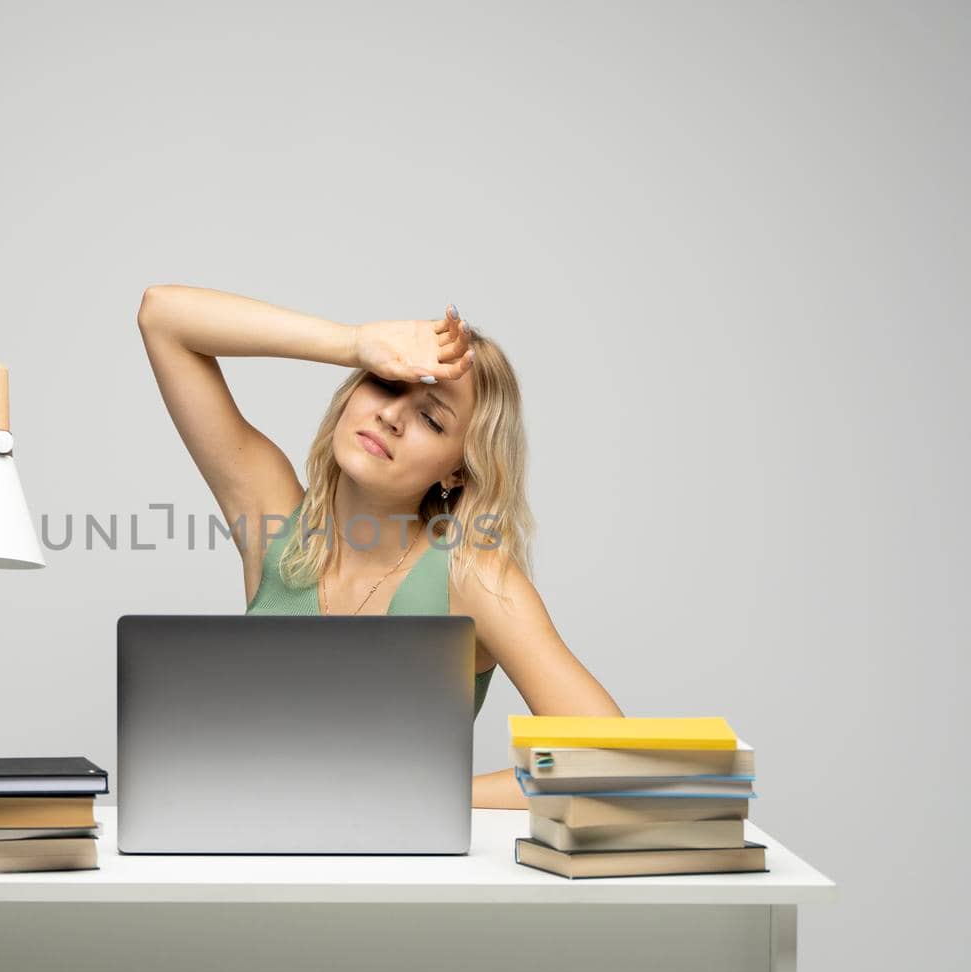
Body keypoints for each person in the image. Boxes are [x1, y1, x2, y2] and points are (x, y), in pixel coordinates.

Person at [136, 285, 622, 808]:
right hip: (254, 863)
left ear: (457, 469)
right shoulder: (273, 522)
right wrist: (351, 343)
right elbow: (162, 316)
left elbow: (611, 759)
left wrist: (422, 796)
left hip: (403, 882)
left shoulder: (472, 577)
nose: (392, 416)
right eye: (386, 384)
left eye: (432, 419)